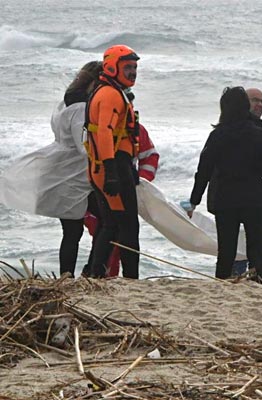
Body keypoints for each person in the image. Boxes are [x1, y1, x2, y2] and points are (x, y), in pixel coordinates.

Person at [0, 61, 102, 277]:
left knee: (74, 230)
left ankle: (73, 275)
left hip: (62, 170)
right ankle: (87, 272)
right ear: (93, 83)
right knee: (99, 224)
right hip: (75, 174)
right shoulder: (81, 108)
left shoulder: (64, 104)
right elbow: (83, 144)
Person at [186, 86, 262, 283]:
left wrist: (194, 201)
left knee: (226, 250)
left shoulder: (217, 136)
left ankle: (222, 284)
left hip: (225, 201)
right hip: (255, 200)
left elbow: (203, 170)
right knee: (256, 250)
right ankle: (257, 283)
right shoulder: (259, 135)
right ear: (246, 107)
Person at [85, 44, 141, 279]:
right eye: (127, 67)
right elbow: (105, 133)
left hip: (113, 165)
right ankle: (131, 279)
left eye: (135, 67)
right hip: (111, 166)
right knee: (127, 226)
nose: (133, 72)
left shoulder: (112, 91)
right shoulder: (109, 95)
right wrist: (112, 172)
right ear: (111, 67)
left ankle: (95, 273)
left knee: (112, 224)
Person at [83, 123, 159, 277]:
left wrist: (140, 181)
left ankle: (113, 277)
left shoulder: (136, 130)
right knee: (108, 234)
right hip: (94, 193)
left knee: (117, 236)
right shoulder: (96, 129)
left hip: (122, 189)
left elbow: (150, 156)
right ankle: (101, 275)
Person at [232, 87, 262, 276]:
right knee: (232, 248)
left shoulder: (260, 131)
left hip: (253, 199)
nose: (259, 105)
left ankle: (253, 280)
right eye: (255, 100)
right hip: (233, 198)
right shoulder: (229, 129)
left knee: (255, 249)